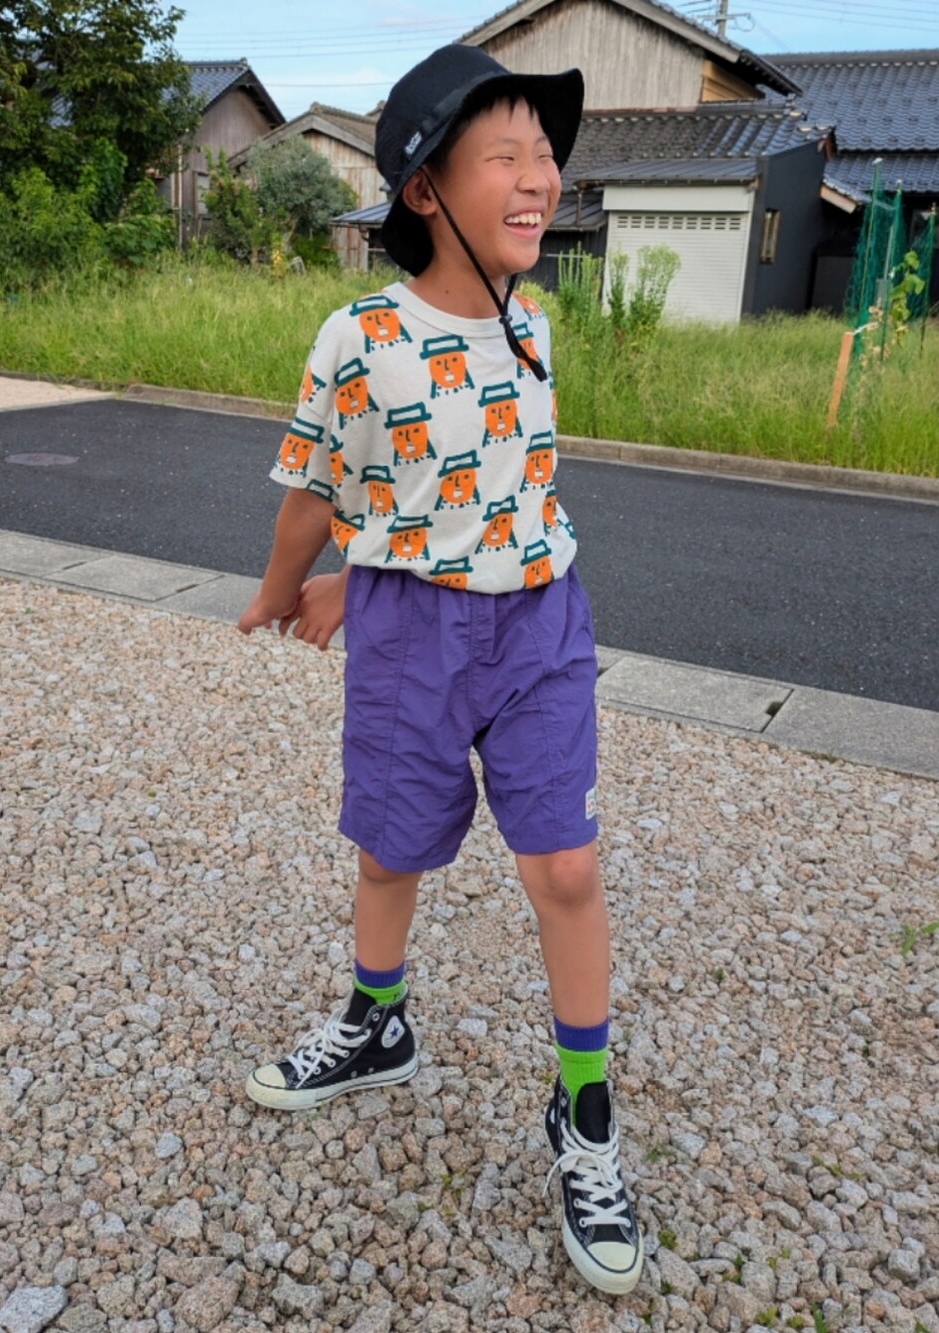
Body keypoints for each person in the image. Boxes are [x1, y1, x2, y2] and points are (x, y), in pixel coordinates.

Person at [237, 43, 643, 1296]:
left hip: (538, 624)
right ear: (426, 189)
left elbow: (498, 488)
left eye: (543, 155)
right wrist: (287, 589)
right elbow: (327, 485)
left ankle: (582, 1108)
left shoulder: (538, 323)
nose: (541, 177)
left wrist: (374, 562)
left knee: (564, 863)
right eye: (507, 156)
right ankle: (378, 1020)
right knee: (391, 844)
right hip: (411, 631)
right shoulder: (359, 334)